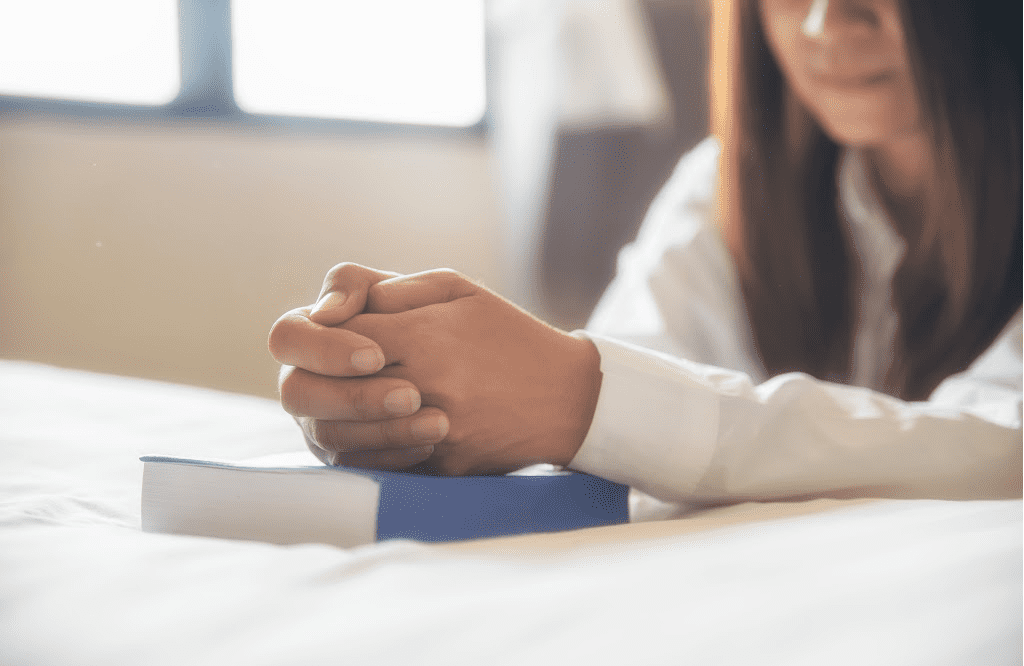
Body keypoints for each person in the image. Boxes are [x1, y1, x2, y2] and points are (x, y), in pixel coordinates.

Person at [268, 0, 1022, 503]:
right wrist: (410, 397)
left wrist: (573, 397)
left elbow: (1003, 446)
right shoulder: (730, 185)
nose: (824, 23)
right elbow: (631, 378)